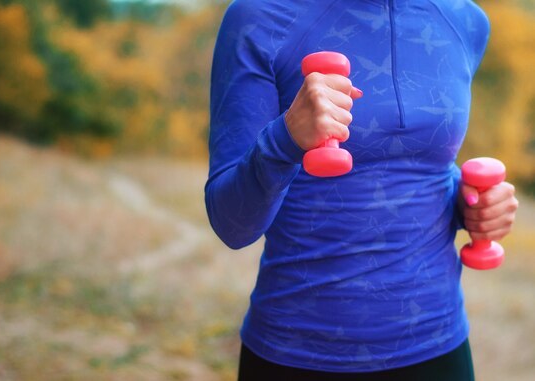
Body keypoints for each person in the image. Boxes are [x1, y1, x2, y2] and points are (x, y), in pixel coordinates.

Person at [205, 1, 520, 380]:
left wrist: (468, 203)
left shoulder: (465, 20)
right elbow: (231, 224)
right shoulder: (260, 17)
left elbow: (418, 162)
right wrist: (286, 137)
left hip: (438, 345)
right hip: (297, 351)